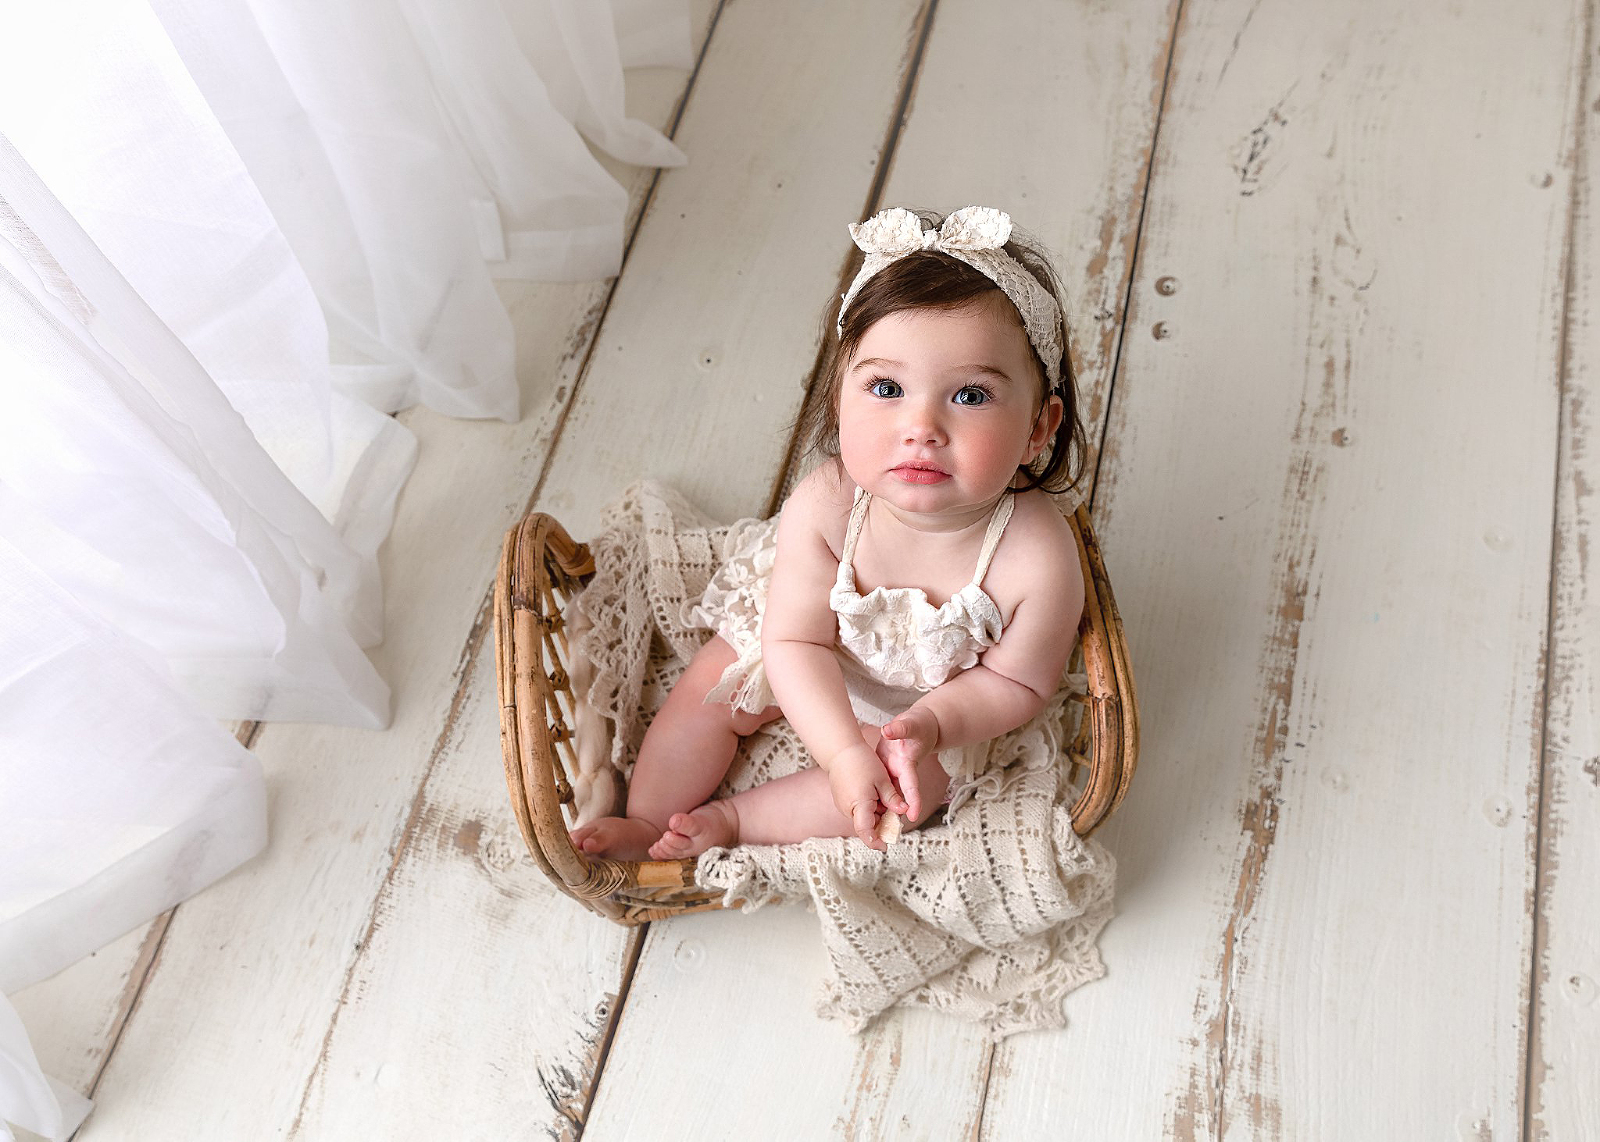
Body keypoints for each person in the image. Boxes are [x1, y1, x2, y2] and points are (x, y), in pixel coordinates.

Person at [570, 205, 1088, 862]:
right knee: (709, 689)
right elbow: (792, 639)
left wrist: (930, 724)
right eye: (887, 387)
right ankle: (648, 822)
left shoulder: (1037, 558)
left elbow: (1019, 685)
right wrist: (843, 749)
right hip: (807, 652)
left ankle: (733, 821)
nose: (920, 425)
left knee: (915, 790)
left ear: (1039, 428)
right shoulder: (828, 505)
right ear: (840, 397)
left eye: (970, 396)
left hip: (935, 706)